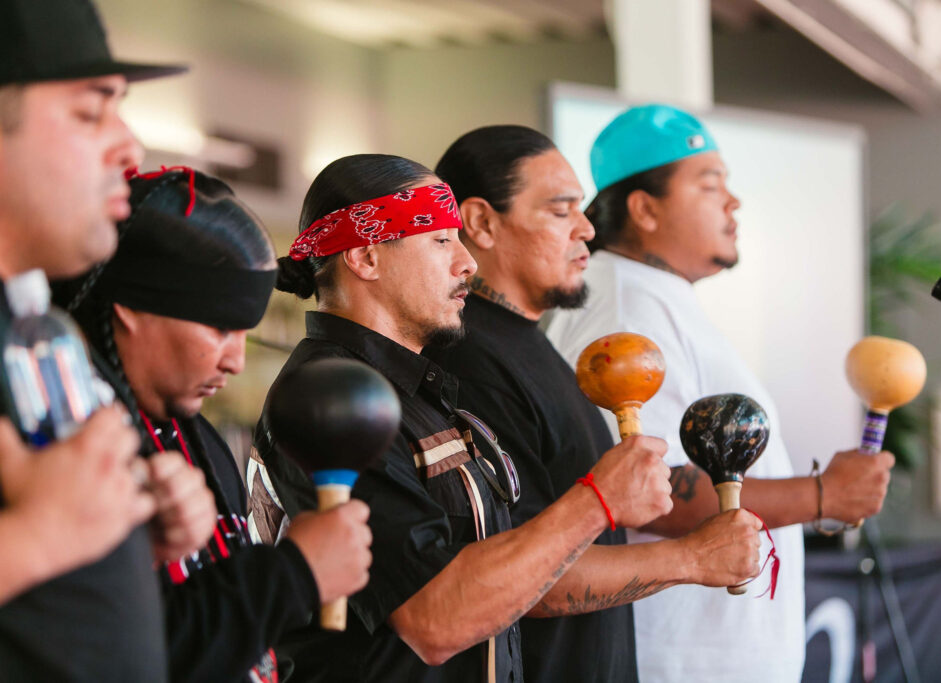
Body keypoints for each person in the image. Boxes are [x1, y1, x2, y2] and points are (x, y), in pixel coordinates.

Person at [249, 153, 674, 682]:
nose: (467, 263)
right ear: (365, 257)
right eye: (441, 240)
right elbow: (432, 619)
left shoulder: (413, 389)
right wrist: (600, 501)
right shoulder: (333, 396)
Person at [546, 104, 896, 682]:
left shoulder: (649, 294)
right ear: (644, 209)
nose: (733, 202)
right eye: (710, 185)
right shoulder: (628, 309)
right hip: (680, 661)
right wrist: (821, 494)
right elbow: (652, 491)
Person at [425, 125, 763, 683]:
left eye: (581, 209)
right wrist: (693, 559)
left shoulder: (531, 342)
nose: (585, 229)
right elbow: (524, 580)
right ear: (480, 222)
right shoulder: (471, 363)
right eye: (561, 211)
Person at [57, 167, 374, 683]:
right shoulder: (70, 442)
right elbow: (130, 652)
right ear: (135, 307)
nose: (234, 362)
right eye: (220, 327)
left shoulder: (198, 436)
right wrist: (295, 574)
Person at [0, 1, 207, 679]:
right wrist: (42, 536)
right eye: (91, 113)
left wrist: (120, 533)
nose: (130, 146)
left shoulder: (40, 335)